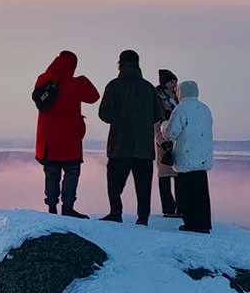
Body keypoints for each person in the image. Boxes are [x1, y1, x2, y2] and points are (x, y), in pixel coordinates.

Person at [32, 50, 98, 217]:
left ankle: (51, 207)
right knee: (71, 171)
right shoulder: (75, 83)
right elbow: (94, 96)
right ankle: (67, 207)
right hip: (69, 139)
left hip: (48, 141)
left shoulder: (42, 80)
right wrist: (82, 79)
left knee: (51, 171)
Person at [97, 48, 159, 224]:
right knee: (143, 185)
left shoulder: (114, 86)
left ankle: (116, 212)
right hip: (144, 147)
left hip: (119, 145)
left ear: (120, 64)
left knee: (115, 183)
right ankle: (143, 218)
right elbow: (158, 114)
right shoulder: (148, 88)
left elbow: (104, 114)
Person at [162, 79, 214, 233]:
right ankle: (204, 223)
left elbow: (171, 133)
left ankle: (191, 222)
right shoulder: (205, 108)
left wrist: (163, 124)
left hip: (186, 155)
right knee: (201, 192)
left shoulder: (181, 109)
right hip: (203, 156)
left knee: (186, 191)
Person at [154, 68, 182, 219]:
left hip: (177, 138)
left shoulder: (178, 97)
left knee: (177, 173)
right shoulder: (158, 98)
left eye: (175, 82)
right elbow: (156, 122)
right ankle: (168, 208)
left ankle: (179, 206)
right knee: (165, 174)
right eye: (172, 82)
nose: (174, 85)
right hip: (163, 139)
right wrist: (162, 141)